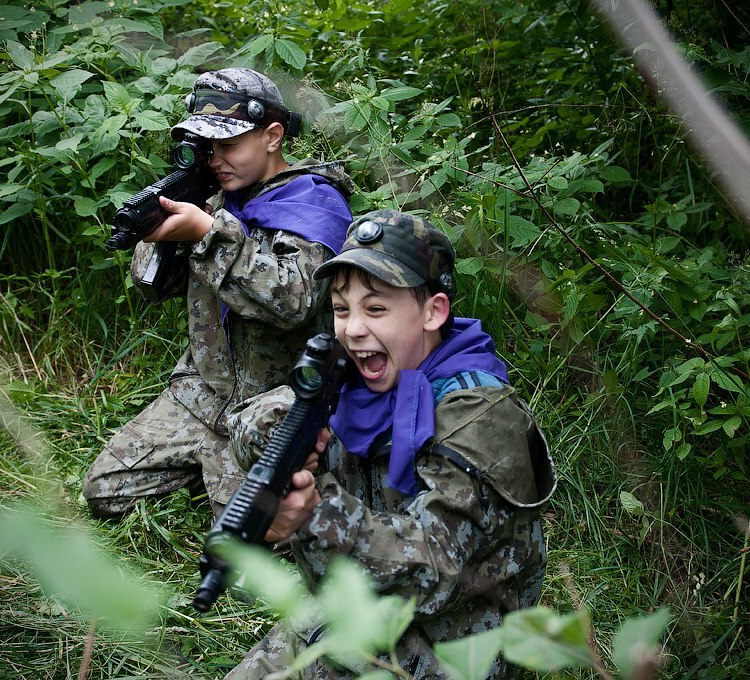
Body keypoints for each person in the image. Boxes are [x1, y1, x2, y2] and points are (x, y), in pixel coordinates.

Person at [223, 209, 556, 679]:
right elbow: (256, 419)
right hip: (364, 603)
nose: (353, 328)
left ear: (433, 312)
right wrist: (271, 432)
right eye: (342, 309)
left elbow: (435, 568)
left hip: (462, 643)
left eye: (376, 308)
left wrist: (315, 515)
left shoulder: (479, 419)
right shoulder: (357, 384)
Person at [83, 68, 355, 519]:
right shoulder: (216, 200)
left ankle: (257, 472)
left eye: (228, 146)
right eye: (207, 147)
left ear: (272, 136)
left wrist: (209, 234)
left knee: (253, 539)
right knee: (104, 492)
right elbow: (156, 288)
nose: (215, 159)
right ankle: (210, 466)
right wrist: (163, 237)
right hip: (203, 393)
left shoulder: (313, 203)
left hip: (271, 403)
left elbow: (294, 301)